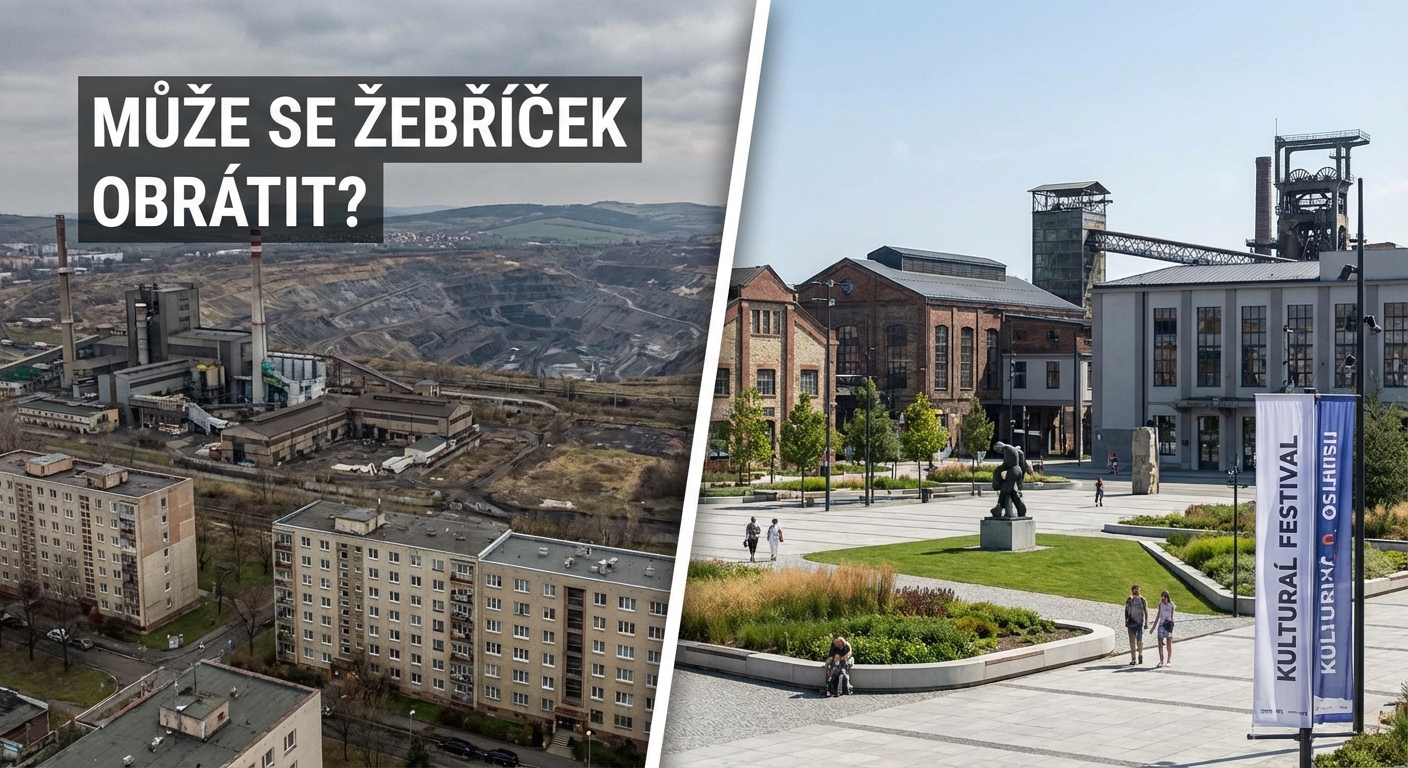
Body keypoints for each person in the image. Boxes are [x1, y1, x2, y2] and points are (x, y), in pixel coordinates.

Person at [1150, 590, 1175, 667]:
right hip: (1161, 625)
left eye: (1164, 596)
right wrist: (1153, 627)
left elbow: (1172, 615)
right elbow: (1158, 616)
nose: (1163, 598)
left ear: (1167, 597)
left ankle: (1168, 660)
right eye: (1162, 596)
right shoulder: (1161, 605)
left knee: (1168, 644)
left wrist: (1172, 622)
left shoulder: (1171, 605)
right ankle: (1161, 660)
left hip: (1168, 625)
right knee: (1160, 644)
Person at [1125, 584, 1147, 665]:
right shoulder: (1129, 599)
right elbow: (1126, 610)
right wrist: (1126, 620)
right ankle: (1133, 658)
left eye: (1138, 590)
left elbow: (1146, 610)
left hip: (1139, 624)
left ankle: (1140, 654)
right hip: (1131, 623)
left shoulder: (1142, 599)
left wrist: (1146, 622)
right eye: (1135, 590)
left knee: (1139, 640)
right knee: (1132, 641)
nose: (1137, 592)